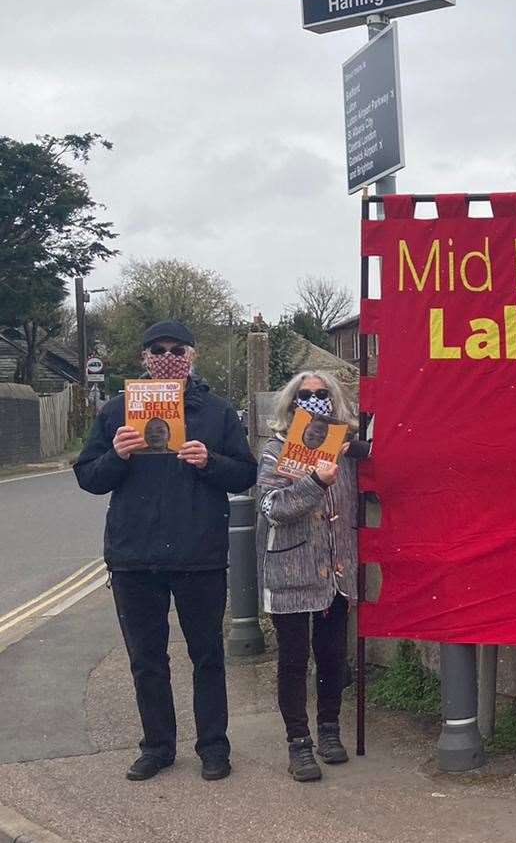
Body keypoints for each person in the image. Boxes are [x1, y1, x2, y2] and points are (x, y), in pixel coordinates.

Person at [74, 321, 257, 782]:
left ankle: (213, 746)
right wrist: (117, 454)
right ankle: (157, 747)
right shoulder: (117, 411)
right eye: (158, 349)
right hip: (135, 556)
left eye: (178, 349)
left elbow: (245, 474)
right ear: (144, 358)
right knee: (147, 659)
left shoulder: (216, 413)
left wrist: (209, 461)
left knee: (208, 655)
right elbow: (89, 478)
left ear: (192, 356)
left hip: (200, 554)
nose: (168, 356)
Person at [256, 372, 363, 782]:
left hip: (336, 572)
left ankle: (329, 730)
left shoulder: (344, 450)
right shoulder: (276, 450)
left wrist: (363, 449)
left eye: (322, 394)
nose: (313, 400)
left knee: (333, 656)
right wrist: (316, 481)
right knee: (294, 660)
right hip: (291, 569)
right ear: (291, 402)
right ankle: (298, 743)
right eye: (305, 395)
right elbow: (272, 507)